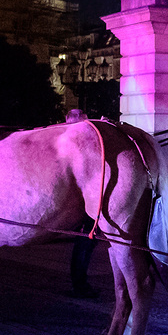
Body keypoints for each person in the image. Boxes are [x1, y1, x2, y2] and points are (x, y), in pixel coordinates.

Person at [65, 108, 101, 298]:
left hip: (85, 203)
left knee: (86, 243)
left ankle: (80, 281)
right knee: (84, 243)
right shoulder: (74, 142)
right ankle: (79, 283)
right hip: (84, 205)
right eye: (85, 122)